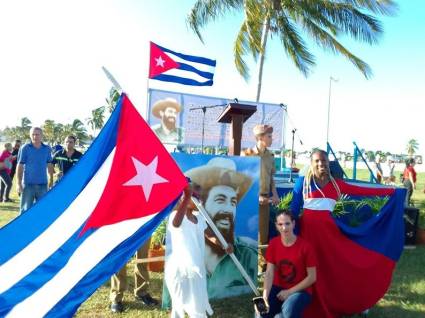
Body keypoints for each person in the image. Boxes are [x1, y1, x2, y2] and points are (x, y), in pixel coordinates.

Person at [290, 149, 395, 317]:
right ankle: (306, 304)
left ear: (328, 162)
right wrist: (292, 234)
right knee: (308, 270)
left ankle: (346, 300)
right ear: (311, 163)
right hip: (307, 236)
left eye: (323, 160)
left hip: (329, 236)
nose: (320, 164)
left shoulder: (337, 184)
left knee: (331, 269)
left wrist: (392, 191)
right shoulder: (304, 182)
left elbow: (364, 191)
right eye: (316, 161)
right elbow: (294, 210)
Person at [184, 157, 257, 298]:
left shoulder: (247, 255)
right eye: (220, 200)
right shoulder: (187, 251)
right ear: (202, 204)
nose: (228, 209)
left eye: (233, 202)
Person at [165, 184, 215, 318]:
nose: (200, 201)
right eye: (196, 197)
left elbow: (208, 234)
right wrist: (187, 196)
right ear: (184, 199)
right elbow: (176, 224)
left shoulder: (199, 218)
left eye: (200, 198)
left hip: (196, 267)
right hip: (179, 268)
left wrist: (224, 245)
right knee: (179, 301)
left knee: (197, 300)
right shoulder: (175, 216)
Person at [261, 210, 316, 318]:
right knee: (261, 313)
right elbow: (269, 273)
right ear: (276, 225)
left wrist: (289, 292)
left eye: (287, 223)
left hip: (300, 290)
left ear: (293, 224)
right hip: (277, 287)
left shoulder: (306, 247)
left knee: (287, 312)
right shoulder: (273, 244)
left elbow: (312, 277)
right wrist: (265, 296)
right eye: (280, 224)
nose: (284, 228)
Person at [242, 124, 279, 268]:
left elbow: (271, 178)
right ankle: (246, 264)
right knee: (248, 231)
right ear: (260, 138)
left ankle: (261, 266)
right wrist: (254, 197)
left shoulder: (270, 156)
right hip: (249, 199)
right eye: (269, 136)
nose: (271, 139)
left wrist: (274, 194)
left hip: (265, 199)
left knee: (262, 234)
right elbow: (242, 179)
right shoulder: (247, 154)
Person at [109, 239, 158, 313]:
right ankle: (116, 296)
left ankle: (141, 292)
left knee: (143, 256)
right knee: (119, 257)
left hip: (142, 227)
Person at [16, 127, 54, 213]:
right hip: (28, 185)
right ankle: (24, 226)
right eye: (32, 134)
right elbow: (20, 165)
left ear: (41, 136)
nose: (34, 136)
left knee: (42, 210)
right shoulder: (25, 148)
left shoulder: (47, 149)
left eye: (37, 134)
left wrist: (51, 179)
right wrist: (18, 183)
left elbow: (49, 164)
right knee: (25, 211)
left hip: (43, 185)